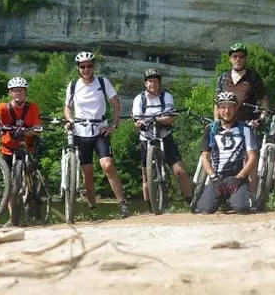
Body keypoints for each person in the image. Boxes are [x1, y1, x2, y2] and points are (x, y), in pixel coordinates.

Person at [64, 51, 129, 218]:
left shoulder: (102, 82)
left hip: (100, 130)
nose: (86, 69)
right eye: (83, 66)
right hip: (80, 132)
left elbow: (116, 105)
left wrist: (114, 125)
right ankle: (93, 208)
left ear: (94, 67)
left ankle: (122, 203)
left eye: (89, 66)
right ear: (78, 68)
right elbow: (68, 107)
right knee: (87, 172)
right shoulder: (73, 86)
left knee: (107, 165)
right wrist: (70, 120)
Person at [132, 68, 192, 211]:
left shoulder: (167, 97)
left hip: (165, 137)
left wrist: (157, 119)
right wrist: (140, 123)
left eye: (156, 81)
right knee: (146, 177)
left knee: (180, 172)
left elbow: (170, 118)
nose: (153, 84)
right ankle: (150, 206)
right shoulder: (139, 99)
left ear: (160, 83)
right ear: (145, 83)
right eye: (150, 81)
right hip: (146, 139)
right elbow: (136, 121)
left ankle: (190, 201)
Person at [215, 42, 270, 195]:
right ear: (230, 59)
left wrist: (263, 115)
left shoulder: (252, 76)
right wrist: (216, 122)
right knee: (223, 157)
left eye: (241, 56)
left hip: (248, 124)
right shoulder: (223, 78)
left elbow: (264, 98)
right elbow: (217, 103)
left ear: (245, 58)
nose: (238, 59)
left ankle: (252, 195)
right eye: (235, 56)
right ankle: (224, 193)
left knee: (249, 158)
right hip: (227, 124)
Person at [0, 76, 43, 224]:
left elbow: (37, 127)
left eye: (21, 90)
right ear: (10, 93)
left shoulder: (32, 107)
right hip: (7, 149)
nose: (18, 93)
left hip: (27, 148)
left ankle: (30, 205)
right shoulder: (3, 107)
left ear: (25, 92)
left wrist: (28, 131)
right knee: (9, 185)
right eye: (15, 91)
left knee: (29, 183)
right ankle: (12, 218)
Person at [196, 91, 259, 214]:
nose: (226, 111)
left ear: (236, 109)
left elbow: (252, 157)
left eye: (230, 107)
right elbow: (205, 157)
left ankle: (236, 198)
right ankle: (223, 199)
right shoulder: (210, 129)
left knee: (242, 208)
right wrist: (213, 177)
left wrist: (239, 177)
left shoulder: (245, 129)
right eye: (223, 107)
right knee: (204, 209)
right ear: (218, 110)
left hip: (236, 178)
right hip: (217, 178)